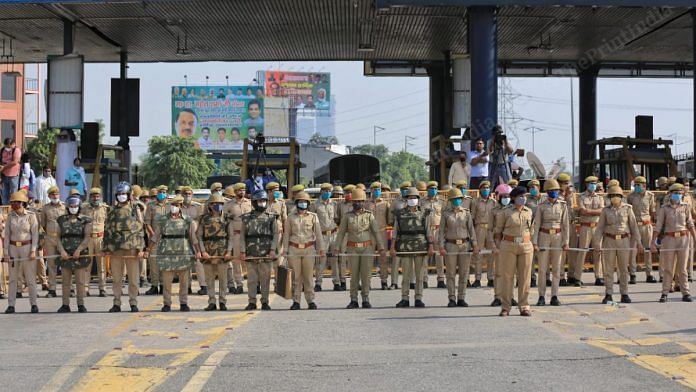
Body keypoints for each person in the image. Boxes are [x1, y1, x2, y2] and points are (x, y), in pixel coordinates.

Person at [336, 188, 385, 309]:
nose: (358, 203)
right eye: (356, 201)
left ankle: (365, 299)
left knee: (366, 275)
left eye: (361, 201)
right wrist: (336, 247)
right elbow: (341, 233)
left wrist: (381, 247)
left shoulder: (369, 215)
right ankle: (353, 299)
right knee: (354, 276)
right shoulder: (347, 216)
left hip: (367, 248)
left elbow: (376, 232)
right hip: (352, 248)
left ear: (364, 202)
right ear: (352, 202)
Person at [149, 195, 199, 312]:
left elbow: (193, 238)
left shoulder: (187, 220)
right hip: (167, 255)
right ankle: (167, 304)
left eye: (176, 205)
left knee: (184, 282)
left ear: (181, 206)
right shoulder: (163, 220)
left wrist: (198, 252)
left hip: (183, 254)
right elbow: (155, 237)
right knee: (166, 283)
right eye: (172, 205)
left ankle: (183, 303)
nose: (174, 207)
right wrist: (148, 250)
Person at [594, 185, 642, 304]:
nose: (615, 198)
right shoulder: (605, 210)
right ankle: (609, 293)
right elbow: (599, 228)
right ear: (609, 197)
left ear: (621, 197)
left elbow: (634, 227)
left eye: (617, 196)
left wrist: (639, 243)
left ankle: (624, 293)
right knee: (608, 269)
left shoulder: (627, 209)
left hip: (624, 240)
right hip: (609, 241)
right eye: (612, 196)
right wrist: (597, 243)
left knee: (623, 269)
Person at [104, 182, 145, 312]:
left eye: (124, 194)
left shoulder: (135, 209)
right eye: (119, 194)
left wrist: (141, 248)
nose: (121, 196)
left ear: (129, 195)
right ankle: (116, 303)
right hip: (116, 249)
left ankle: (133, 302)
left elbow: (140, 229)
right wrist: (105, 248)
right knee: (116, 279)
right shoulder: (112, 210)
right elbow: (108, 229)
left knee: (133, 279)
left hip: (131, 248)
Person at [493, 186, 534, 317]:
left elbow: (531, 229)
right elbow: (498, 232)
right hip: (508, 245)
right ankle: (506, 307)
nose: (523, 199)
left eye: (525, 196)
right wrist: (500, 246)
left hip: (526, 245)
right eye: (520, 196)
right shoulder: (505, 212)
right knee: (507, 277)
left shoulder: (529, 212)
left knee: (525, 277)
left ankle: (524, 306)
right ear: (513, 198)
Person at [653, 183, 695, 303]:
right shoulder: (664, 209)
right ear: (670, 194)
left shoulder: (685, 207)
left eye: (680, 193)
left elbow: (690, 224)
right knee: (668, 268)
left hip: (683, 238)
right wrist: (652, 242)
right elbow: (659, 226)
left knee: (682, 268)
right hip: (669, 239)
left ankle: (685, 293)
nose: (678, 195)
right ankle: (665, 293)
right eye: (675, 193)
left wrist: (695, 238)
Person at [392, 187, 432, 308]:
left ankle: (418, 298)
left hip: (420, 245)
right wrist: (393, 247)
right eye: (410, 198)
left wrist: (430, 246)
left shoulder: (424, 212)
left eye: (414, 197)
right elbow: (395, 231)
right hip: (405, 246)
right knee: (406, 275)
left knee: (420, 275)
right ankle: (405, 298)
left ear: (418, 199)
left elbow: (428, 231)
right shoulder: (400, 213)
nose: (412, 199)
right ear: (406, 199)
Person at [532, 179, 570, 306]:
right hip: (544, 236)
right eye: (551, 190)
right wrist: (535, 242)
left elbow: (565, 225)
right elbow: (536, 225)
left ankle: (554, 295)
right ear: (547, 192)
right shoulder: (541, 206)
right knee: (542, 269)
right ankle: (541, 296)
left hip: (558, 237)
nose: (554, 192)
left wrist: (566, 241)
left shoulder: (563, 205)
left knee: (557, 268)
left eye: (556, 190)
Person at [240, 190, 279, 310]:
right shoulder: (246, 218)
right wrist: (242, 251)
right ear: (254, 202)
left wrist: (273, 250)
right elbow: (242, 236)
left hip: (266, 253)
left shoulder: (271, 217)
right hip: (251, 253)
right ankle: (252, 301)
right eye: (259, 201)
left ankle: (265, 302)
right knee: (251, 280)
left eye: (263, 201)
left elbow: (276, 235)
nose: (261, 203)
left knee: (265, 279)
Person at [439, 188, 478, 307]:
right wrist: (441, 246)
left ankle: (461, 297)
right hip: (450, 245)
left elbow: (471, 229)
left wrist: (475, 244)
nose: (457, 201)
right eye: (455, 199)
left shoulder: (466, 213)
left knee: (464, 272)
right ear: (450, 200)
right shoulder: (446, 213)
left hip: (465, 245)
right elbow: (441, 231)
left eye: (459, 199)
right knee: (450, 273)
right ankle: (451, 298)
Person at [4, 191, 39, 314]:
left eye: (17, 202)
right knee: (13, 279)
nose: (14, 204)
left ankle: (34, 304)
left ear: (22, 203)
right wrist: (6, 253)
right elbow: (7, 235)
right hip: (13, 248)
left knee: (30, 278)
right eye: (13, 202)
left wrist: (33, 250)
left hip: (27, 247)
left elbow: (35, 234)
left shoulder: (30, 215)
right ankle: (11, 305)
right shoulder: (10, 216)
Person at [56, 196, 92, 313]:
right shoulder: (61, 220)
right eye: (71, 207)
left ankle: (81, 304)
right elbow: (57, 238)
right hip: (65, 254)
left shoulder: (85, 220)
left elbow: (87, 237)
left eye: (75, 206)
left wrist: (79, 250)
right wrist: (62, 251)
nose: (73, 208)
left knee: (80, 281)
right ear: (67, 207)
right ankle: (65, 304)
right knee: (66, 281)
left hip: (79, 255)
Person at [198, 194, 230, 311]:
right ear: (210, 205)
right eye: (215, 204)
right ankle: (211, 301)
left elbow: (230, 236)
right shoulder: (203, 219)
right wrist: (202, 251)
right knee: (209, 279)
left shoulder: (226, 218)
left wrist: (229, 251)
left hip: (222, 252)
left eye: (221, 204)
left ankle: (222, 301)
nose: (218, 206)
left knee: (223, 279)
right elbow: (199, 236)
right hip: (208, 252)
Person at [575, 176, 605, 287]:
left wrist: (589, 211)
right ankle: (577, 277)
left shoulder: (600, 197)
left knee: (598, 251)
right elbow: (582, 211)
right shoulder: (581, 197)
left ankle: (599, 276)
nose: (593, 185)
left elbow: (602, 211)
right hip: (585, 227)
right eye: (591, 183)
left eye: (595, 183)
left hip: (597, 227)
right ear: (587, 184)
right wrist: (594, 212)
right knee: (583, 251)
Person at [80, 187, 110, 297]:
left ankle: (102, 288)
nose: (95, 198)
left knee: (101, 265)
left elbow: (108, 224)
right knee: (87, 264)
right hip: (88, 238)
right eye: (93, 196)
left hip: (100, 238)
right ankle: (85, 288)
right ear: (90, 197)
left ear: (100, 197)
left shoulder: (105, 208)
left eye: (97, 196)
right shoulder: (84, 208)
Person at [627, 176, 657, 284]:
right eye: (635, 185)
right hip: (635, 225)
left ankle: (649, 273)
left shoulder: (650, 196)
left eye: (638, 185)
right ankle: (632, 274)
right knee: (633, 250)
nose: (636, 187)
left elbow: (652, 211)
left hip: (646, 224)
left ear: (644, 185)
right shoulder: (630, 197)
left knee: (647, 250)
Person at [224, 183, 253, 294]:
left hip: (248, 236)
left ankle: (252, 283)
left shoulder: (250, 204)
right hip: (236, 235)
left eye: (244, 190)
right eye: (240, 190)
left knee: (249, 260)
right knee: (236, 261)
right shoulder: (229, 205)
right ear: (235, 192)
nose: (242, 192)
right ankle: (239, 284)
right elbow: (225, 220)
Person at [309, 183, 338, 291]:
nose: (328, 193)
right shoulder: (315, 205)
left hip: (334, 234)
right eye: (325, 191)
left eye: (329, 191)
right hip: (322, 235)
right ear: (321, 192)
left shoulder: (334, 204)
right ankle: (318, 283)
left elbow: (337, 218)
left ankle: (336, 282)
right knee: (321, 260)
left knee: (334, 259)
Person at [488, 183, 512, 307]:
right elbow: (490, 229)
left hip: (511, 242)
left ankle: (510, 296)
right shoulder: (493, 211)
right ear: (497, 196)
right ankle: (497, 296)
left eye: (508, 196)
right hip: (498, 242)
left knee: (511, 271)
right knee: (498, 271)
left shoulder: (514, 209)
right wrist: (492, 245)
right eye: (503, 196)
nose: (506, 198)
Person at [364, 181, 391, 290]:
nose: (377, 191)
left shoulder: (385, 204)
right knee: (368, 258)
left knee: (383, 257)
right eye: (374, 189)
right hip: (369, 232)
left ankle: (384, 281)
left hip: (382, 232)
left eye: (379, 189)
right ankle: (367, 282)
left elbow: (389, 219)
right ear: (371, 191)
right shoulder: (366, 204)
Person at [40, 185, 66, 298]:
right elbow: (43, 225)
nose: (55, 196)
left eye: (57, 194)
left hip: (63, 238)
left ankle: (69, 288)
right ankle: (52, 289)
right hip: (50, 238)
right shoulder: (45, 208)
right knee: (51, 265)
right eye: (53, 194)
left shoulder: (65, 206)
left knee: (66, 264)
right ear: (49, 196)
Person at [144, 185, 170, 295]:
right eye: (160, 192)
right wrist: (153, 235)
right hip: (153, 238)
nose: (162, 193)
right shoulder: (151, 206)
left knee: (164, 263)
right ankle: (154, 285)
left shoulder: (170, 206)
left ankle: (164, 285)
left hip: (167, 239)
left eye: (164, 192)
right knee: (154, 262)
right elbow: (147, 223)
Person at [420, 181, 445, 288]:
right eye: (431, 188)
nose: (433, 190)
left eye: (435, 188)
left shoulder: (442, 202)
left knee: (439, 255)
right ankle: (424, 279)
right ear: (427, 190)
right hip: (426, 230)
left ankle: (440, 279)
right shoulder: (421, 202)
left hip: (438, 230)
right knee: (425, 255)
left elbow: (445, 216)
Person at [471, 180, 496, 288]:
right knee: (478, 254)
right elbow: (472, 217)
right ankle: (477, 278)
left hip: (491, 229)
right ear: (480, 189)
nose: (486, 190)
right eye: (483, 188)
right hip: (479, 228)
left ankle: (491, 278)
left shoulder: (494, 202)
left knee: (492, 254)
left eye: (487, 188)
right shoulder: (475, 202)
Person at [1, 138, 22, 205]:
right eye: (6, 146)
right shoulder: (2, 150)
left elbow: (15, 162)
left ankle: (14, 207)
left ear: (13, 144)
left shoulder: (16, 150)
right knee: (5, 193)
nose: (7, 148)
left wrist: (4, 167)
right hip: (4, 174)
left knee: (13, 193)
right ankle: (5, 208)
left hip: (13, 175)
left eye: (8, 147)